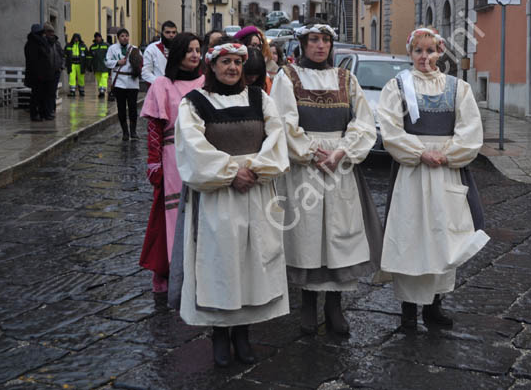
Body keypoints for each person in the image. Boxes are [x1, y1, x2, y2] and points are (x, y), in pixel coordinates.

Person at [172, 40, 290, 367]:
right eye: (225, 62)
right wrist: (229, 173)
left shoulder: (259, 98)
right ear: (212, 66)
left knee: (252, 261)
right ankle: (220, 335)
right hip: (217, 197)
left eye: (237, 62)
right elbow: (192, 146)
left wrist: (253, 169)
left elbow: (276, 136)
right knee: (220, 263)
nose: (232, 68)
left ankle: (243, 332)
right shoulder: (195, 103)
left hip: (254, 191)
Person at [270, 20, 383, 335]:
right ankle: (307, 305)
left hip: (339, 169)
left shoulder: (347, 79)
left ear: (331, 46)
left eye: (325, 41)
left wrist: (342, 152)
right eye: (314, 40)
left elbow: (363, 121)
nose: (320, 46)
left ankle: (334, 307)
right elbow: (282, 121)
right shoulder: (287, 77)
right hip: (304, 168)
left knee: (338, 233)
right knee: (306, 235)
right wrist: (309, 152)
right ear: (303, 44)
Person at [377, 27, 490, 329]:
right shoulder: (398, 87)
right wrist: (419, 153)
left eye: (430, 51)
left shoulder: (457, 88)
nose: (424, 57)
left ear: (440, 52)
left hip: (445, 175)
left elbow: (470, 130)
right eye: (418, 51)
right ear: (410, 53)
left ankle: (434, 306)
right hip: (413, 174)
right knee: (411, 236)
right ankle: (408, 310)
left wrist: (448, 154)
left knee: (443, 236)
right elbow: (390, 129)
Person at [139, 33, 205, 293]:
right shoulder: (161, 85)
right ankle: (170, 270)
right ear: (177, 53)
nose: (195, 55)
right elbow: (154, 127)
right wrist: (154, 162)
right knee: (172, 216)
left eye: (198, 50)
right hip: (172, 158)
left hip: (202, 156)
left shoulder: (206, 82)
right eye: (189, 50)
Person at [105, 28, 141, 140]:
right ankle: (125, 132)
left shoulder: (135, 49)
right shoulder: (112, 49)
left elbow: (141, 63)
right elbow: (106, 61)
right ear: (118, 37)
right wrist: (117, 62)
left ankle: (133, 131)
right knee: (121, 108)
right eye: (122, 36)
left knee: (133, 108)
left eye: (126, 35)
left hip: (132, 82)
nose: (125, 38)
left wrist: (137, 67)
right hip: (119, 81)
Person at [24, 24, 55, 121]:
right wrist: (39, 74)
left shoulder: (42, 42)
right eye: (42, 32)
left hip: (45, 75)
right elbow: (33, 62)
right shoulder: (31, 44)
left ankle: (44, 113)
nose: (44, 34)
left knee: (44, 95)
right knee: (36, 95)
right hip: (37, 76)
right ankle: (34, 114)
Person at [142, 21, 178, 85]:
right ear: (162, 33)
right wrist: (160, 83)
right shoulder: (152, 49)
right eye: (167, 32)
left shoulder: (181, 48)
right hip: (158, 88)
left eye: (174, 32)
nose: (171, 35)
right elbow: (145, 72)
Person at [45, 23, 65, 114]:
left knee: (52, 92)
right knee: (47, 92)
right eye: (49, 31)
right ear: (45, 32)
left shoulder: (57, 43)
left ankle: (52, 110)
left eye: (52, 31)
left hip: (56, 72)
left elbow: (62, 55)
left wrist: (61, 67)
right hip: (47, 72)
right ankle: (48, 110)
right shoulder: (44, 42)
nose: (51, 33)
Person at [64, 33, 88, 97]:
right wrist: (65, 64)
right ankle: (72, 91)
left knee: (81, 78)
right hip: (72, 64)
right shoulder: (69, 45)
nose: (76, 39)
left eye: (77, 38)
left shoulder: (83, 46)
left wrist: (87, 65)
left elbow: (87, 56)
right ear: (73, 38)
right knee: (72, 78)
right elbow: (65, 55)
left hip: (80, 64)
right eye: (75, 38)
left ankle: (81, 91)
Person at [88, 32, 111, 98]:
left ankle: (102, 90)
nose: (98, 38)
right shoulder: (92, 47)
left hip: (105, 66)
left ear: (101, 37)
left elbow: (110, 55)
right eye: (96, 37)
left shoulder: (106, 45)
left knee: (104, 78)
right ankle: (101, 90)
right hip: (96, 66)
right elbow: (90, 57)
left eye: (99, 37)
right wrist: (89, 65)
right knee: (98, 79)